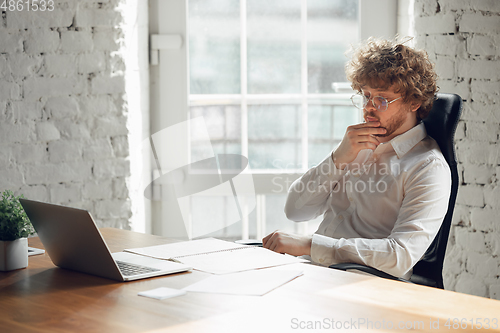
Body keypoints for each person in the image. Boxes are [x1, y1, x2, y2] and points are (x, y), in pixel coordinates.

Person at [262, 37, 451, 279]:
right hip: (312, 272)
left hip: (363, 286)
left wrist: (309, 245)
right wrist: (337, 159)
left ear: (414, 101)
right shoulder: (356, 144)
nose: (368, 108)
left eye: (381, 99)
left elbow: (400, 256)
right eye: (366, 96)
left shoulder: (427, 167)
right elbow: (295, 211)